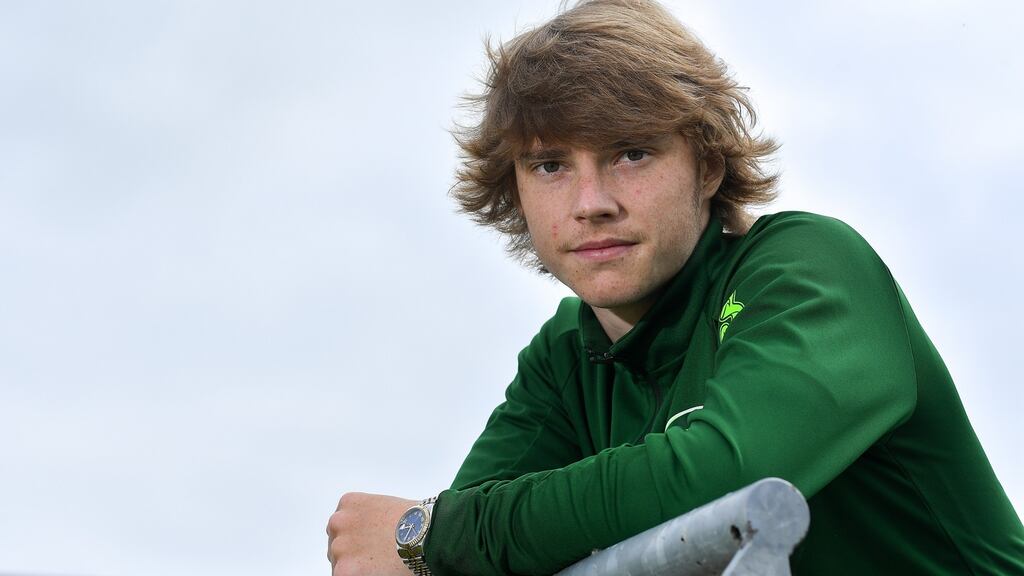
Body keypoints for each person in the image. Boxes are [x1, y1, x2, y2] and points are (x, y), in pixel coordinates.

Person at [326, 0, 1024, 574]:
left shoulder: (807, 267)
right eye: (549, 166)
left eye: (631, 152)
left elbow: (728, 474)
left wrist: (425, 530)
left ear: (709, 166)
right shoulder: (566, 358)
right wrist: (449, 543)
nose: (591, 200)